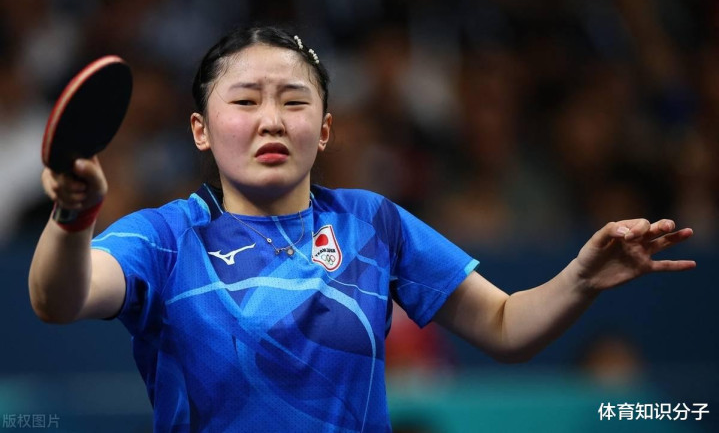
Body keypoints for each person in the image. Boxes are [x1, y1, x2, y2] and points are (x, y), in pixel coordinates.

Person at [28, 25, 696, 432]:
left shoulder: (373, 222)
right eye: (245, 100)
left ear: (323, 130)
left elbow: (504, 326)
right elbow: (57, 299)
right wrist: (73, 217)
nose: (270, 120)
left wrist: (579, 279)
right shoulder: (166, 237)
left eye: (294, 101)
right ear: (201, 130)